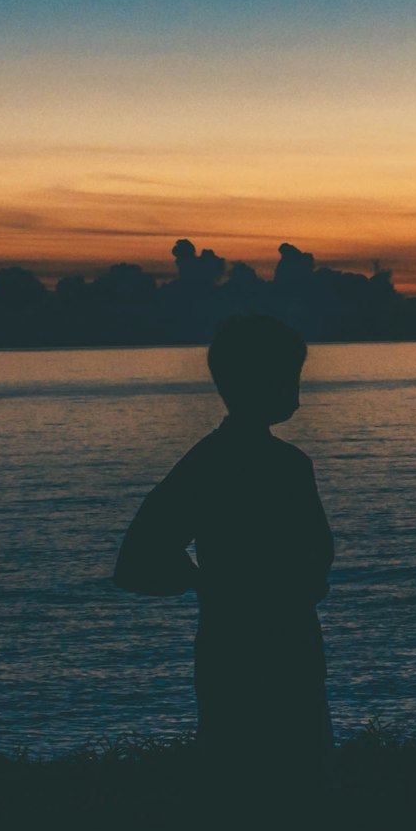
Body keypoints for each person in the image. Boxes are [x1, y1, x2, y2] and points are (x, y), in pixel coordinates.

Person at [116, 314, 336, 762]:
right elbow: (138, 559)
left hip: (254, 648)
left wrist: (208, 585)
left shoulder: (228, 461)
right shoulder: (260, 464)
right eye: (289, 377)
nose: (296, 390)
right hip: (250, 651)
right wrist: (208, 584)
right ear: (260, 381)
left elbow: (141, 557)